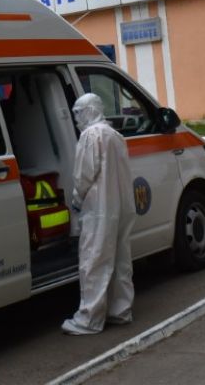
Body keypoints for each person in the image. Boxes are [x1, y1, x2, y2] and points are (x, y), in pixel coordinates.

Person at [62, 93, 135, 334]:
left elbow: (83, 175)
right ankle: (120, 310)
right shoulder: (115, 135)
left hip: (99, 210)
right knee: (120, 260)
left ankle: (89, 319)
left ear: (91, 110)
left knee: (94, 261)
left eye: (79, 112)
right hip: (121, 206)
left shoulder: (90, 136)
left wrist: (76, 200)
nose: (76, 118)